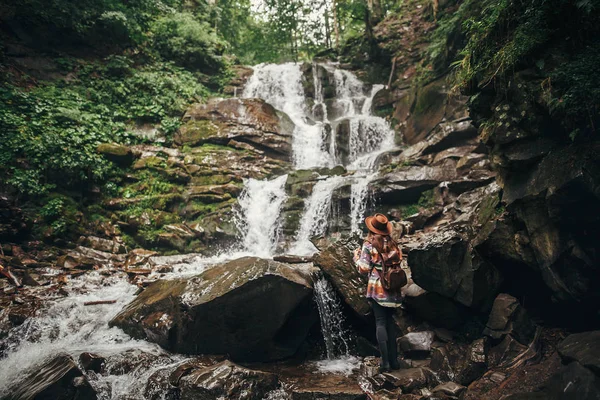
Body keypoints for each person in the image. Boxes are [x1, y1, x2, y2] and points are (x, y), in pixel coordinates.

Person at [353, 213, 403, 372]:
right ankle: (395, 362)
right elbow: (399, 260)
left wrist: (356, 257)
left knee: (380, 322)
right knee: (390, 323)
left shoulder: (369, 244)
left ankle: (385, 363)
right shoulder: (393, 243)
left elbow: (364, 268)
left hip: (377, 288)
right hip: (393, 288)